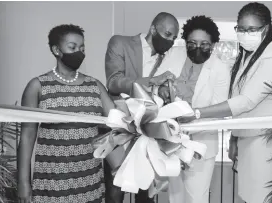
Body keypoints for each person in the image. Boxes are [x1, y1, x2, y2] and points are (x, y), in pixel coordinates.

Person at [178, 3, 272, 203]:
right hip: (247, 138)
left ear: (266, 28)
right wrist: (235, 138)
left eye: (252, 29)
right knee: (248, 195)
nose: (245, 34)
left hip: (265, 140)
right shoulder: (248, 56)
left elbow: (246, 101)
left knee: (261, 197)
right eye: (241, 29)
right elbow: (237, 96)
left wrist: (196, 113)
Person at [17, 24, 115, 203]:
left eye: (82, 48)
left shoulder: (95, 86)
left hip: (89, 180)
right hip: (52, 184)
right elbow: (27, 137)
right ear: (56, 49)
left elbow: (117, 122)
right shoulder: (38, 86)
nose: (79, 52)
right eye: (72, 47)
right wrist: (23, 182)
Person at [104, 12, 179, 203]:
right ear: (153, 29)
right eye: (168, 34)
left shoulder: (168, 58)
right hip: (120, 129)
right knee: (115, 191)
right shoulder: (120, 43)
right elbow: (113, 83)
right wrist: (150, 81)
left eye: (174, 38)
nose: (170, 41)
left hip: (148, 133)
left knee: (146, 194)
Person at [157, 15, 230, 203]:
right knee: (175, 196)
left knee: (196, 197)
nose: (198, 48)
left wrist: (192, 116)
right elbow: (156, 83)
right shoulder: (174, 55)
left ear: (213, 45)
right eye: (192, 43)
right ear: (185, 42)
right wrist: (161, 89)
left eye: (204, 44)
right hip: (171, 139)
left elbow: (220, 110)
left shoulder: (220, 69)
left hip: (201, 143)